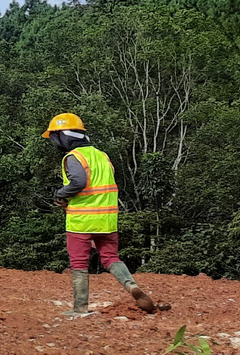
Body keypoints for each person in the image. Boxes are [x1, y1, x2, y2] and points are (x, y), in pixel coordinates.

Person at [43, 113, 157, 316]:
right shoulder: (102, 155)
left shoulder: (73, 157)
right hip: (107, 219)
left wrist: (60, 194)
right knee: (111, 257)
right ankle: (131, 286)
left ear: (62, 136)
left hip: (81, 220)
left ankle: (80, 308)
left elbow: (78, 183)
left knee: (78, 262)